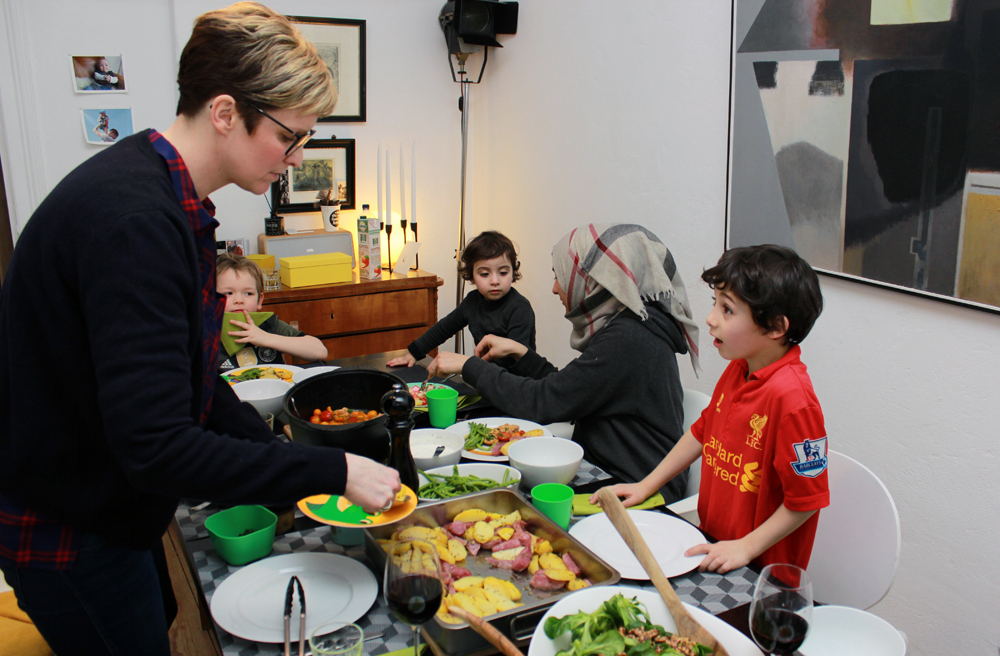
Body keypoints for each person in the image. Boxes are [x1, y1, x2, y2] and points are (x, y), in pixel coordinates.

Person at [0, 4, 400, 655]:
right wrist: (327, 469)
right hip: (69, 529)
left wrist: (283, 458)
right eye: (289, 136)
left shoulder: (163, 195)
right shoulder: (134, 222)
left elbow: (194, 383)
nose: (297, 159)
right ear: (223, 112)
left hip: (107, 512)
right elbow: (157, 445)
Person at [592, 245, 829, 574]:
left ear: (776, 327)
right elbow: (703, 432)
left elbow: (806, 501)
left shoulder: (794, 400)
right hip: (714, 545)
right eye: (714, 304)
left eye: (727, 310)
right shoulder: (739, 367)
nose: (710, 319)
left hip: (761, 576)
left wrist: (745, 548)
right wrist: (647, 485)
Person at [427, 224, 701, 502]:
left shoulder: (629, 339)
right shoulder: (628, 326)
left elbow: (544, 402)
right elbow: (573, 391)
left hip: (634, 486)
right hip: (609, 469)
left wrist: (468, 366)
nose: (556, 288)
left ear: (589, 280)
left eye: (560, 276)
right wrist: (522, 352)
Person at [388, 231, 536, 370]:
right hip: (486, 378)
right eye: (485, 274)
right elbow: (444, 328)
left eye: (503, 272)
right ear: (471, 276)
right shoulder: (472, 301)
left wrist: (469, 368)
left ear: (513, 271)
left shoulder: (520, 308)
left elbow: (516, 359)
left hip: (518, 384)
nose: (495, 281)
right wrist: (413, 353)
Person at [216, 252, 328, 369]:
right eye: (228, 293)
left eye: (248, 293)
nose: (239, 300)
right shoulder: (205, 330)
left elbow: (320, 351)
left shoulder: (270, 323)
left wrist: (265, 338)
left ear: (260, 300)